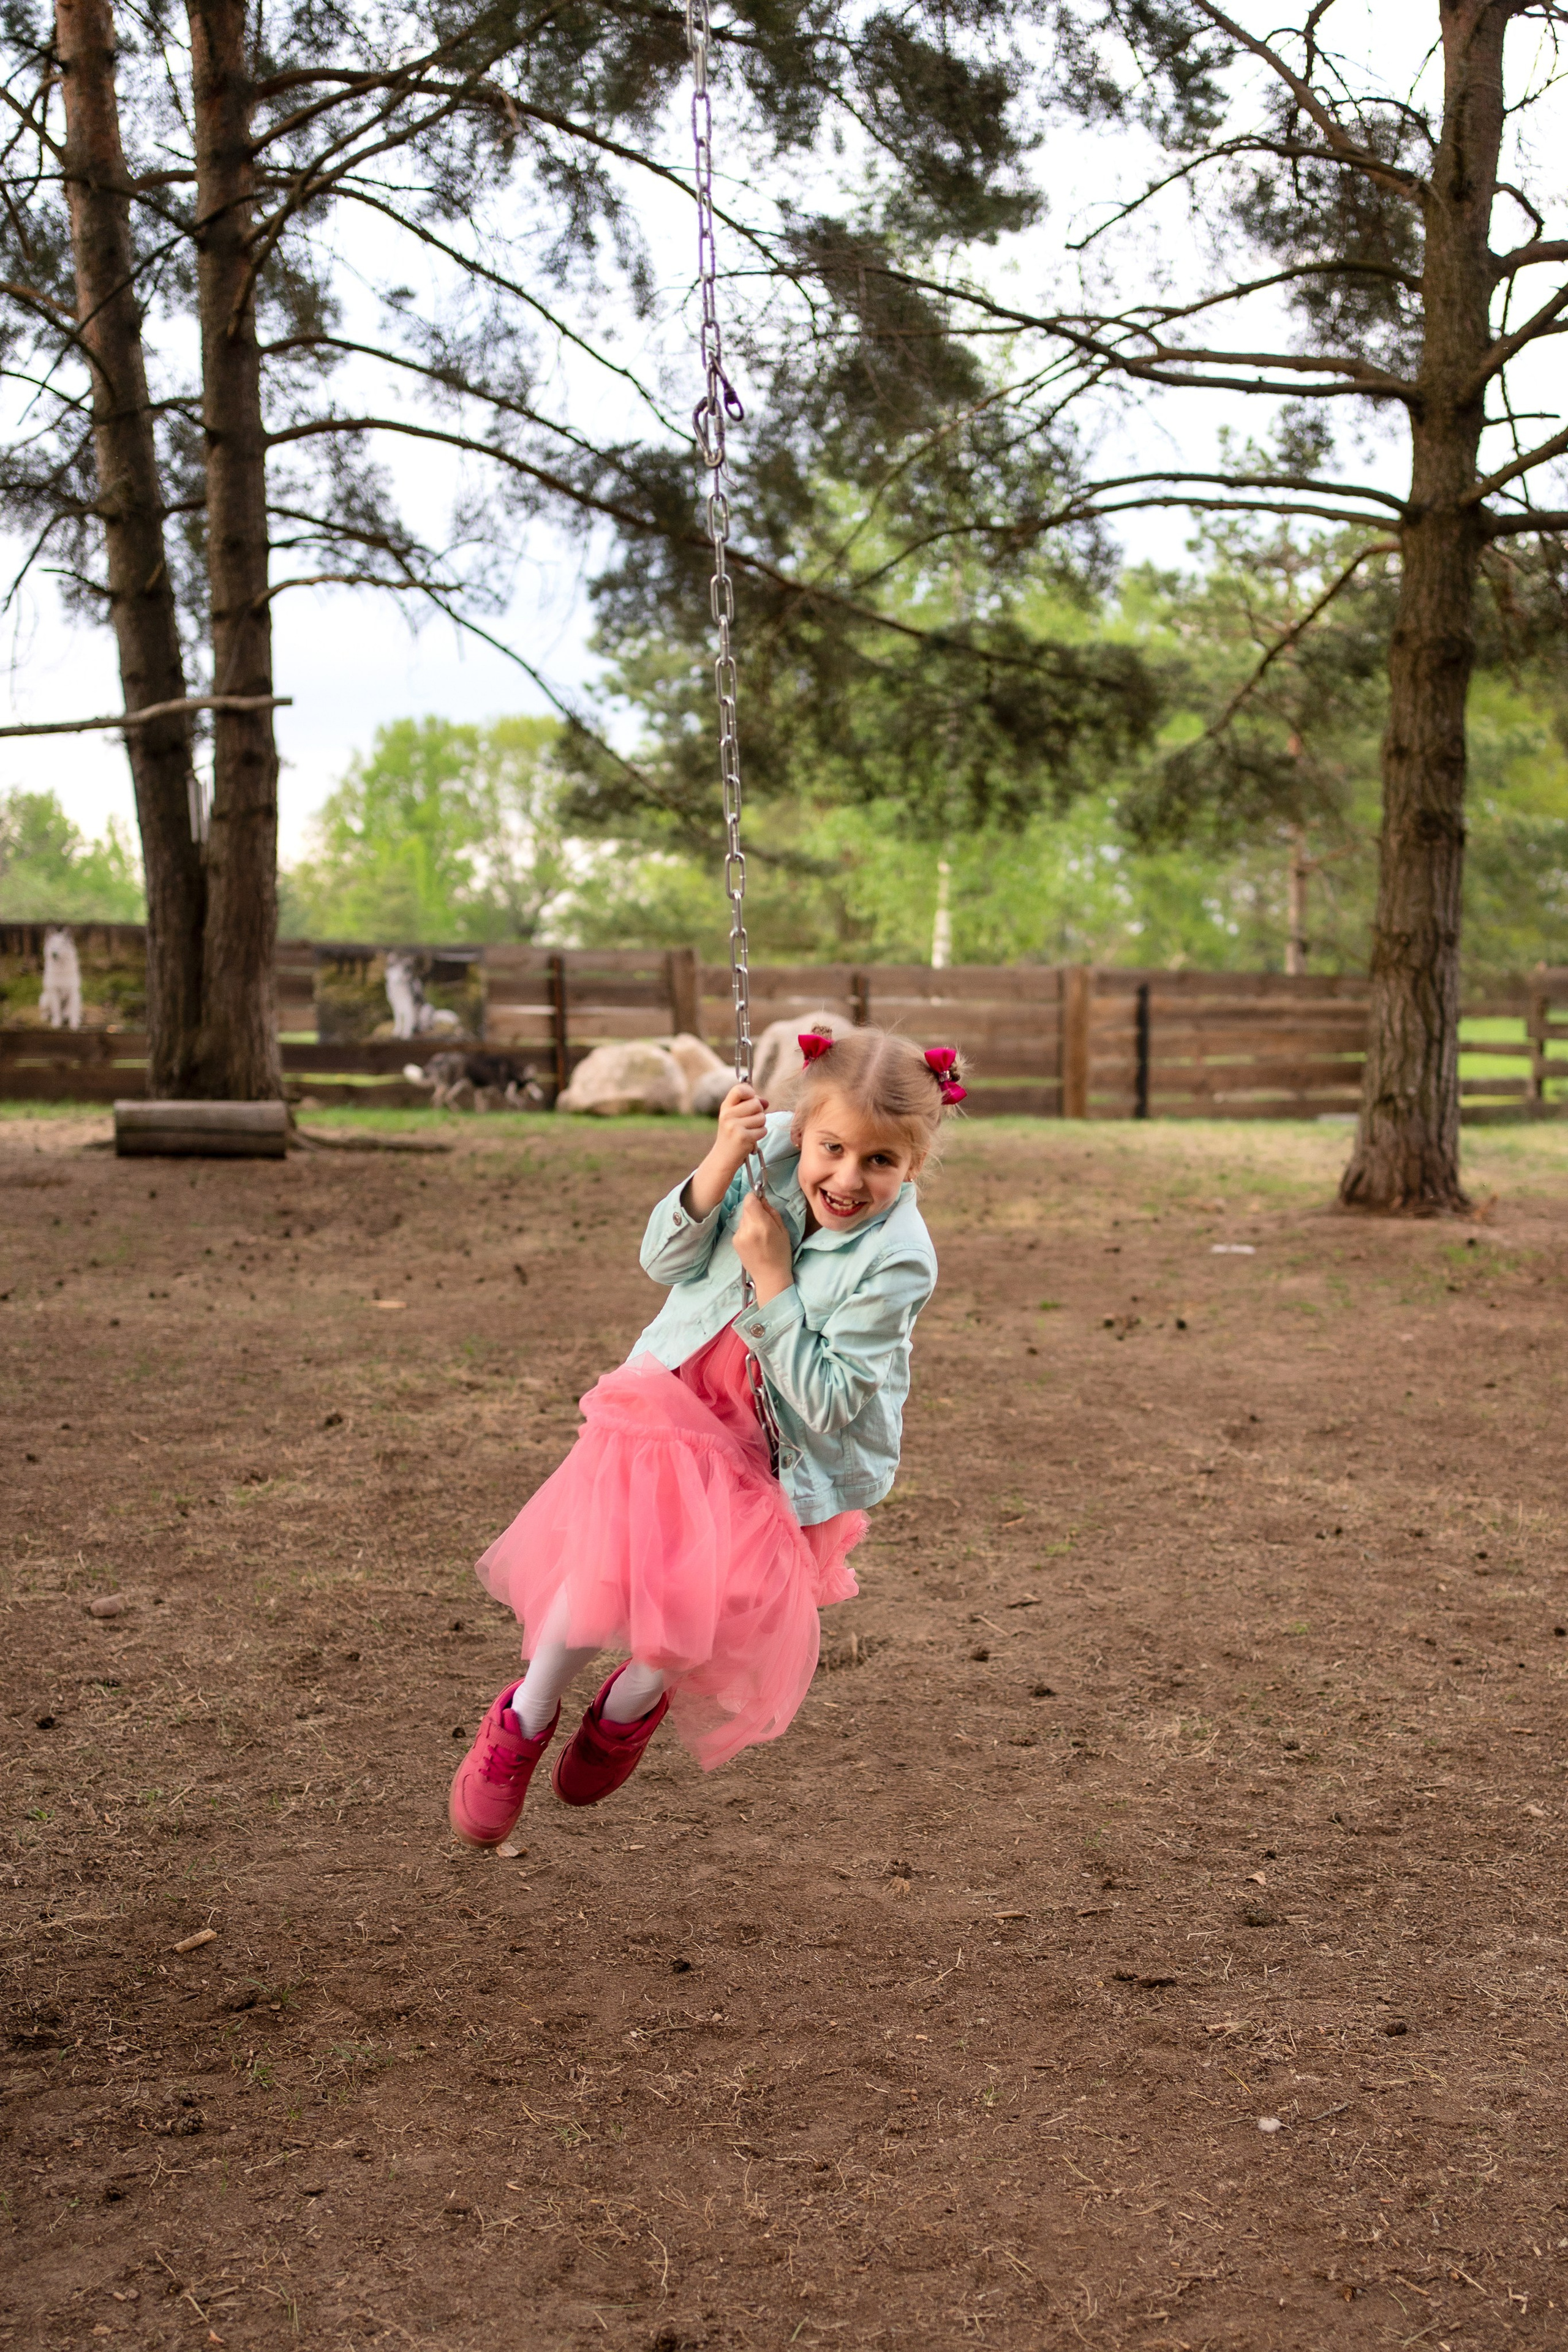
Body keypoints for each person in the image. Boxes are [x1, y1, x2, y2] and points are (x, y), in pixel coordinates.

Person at [448, 1026, 967, 1845]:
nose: (846, 1177)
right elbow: (663, 1260)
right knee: (603, 1571)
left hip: (782, 1453)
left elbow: (830, 1400)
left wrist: (771, 1278)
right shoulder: (766, 1167)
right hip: (673, 1405)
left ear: (914, 1163)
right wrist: (723, 1158)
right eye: (831, 1147)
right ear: (802, 1129)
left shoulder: (899, 1258)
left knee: (705, 1604)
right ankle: (526, 1715)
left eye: (879, 1162)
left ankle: (627, 1708)